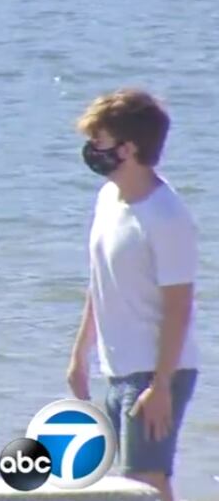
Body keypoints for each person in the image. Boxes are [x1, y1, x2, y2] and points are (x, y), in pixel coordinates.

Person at [67, 89, 198, 501]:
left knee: (145, 482)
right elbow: (101, 281)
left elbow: (179, 307)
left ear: (129, 148)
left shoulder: (166, 215)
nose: (92, 148)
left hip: (156, 371)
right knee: (139, 483)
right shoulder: (109, 197)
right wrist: (80, 353)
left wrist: (161, 386)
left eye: (99, 139)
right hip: (118, 367)